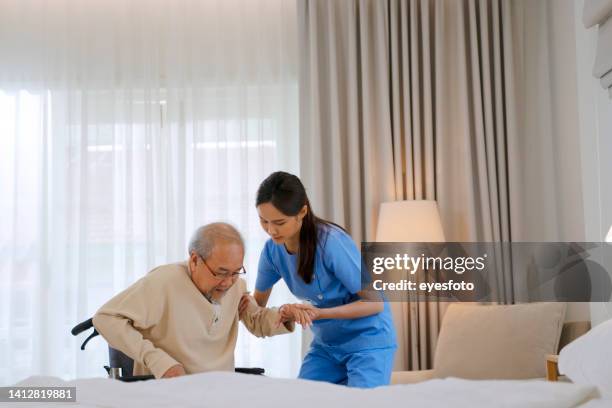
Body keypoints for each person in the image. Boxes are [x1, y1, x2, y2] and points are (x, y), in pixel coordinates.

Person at [251, 171, 397, 388]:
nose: (271, 230)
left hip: (368, 341)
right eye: (264, 221)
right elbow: (257, 307)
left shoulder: (331, 242)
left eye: (279, 222)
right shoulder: (272, 252)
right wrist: (284, 311)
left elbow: (374, 303)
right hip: (327, 345)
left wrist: (318, 313)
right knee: (303, 398)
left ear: (302, 212)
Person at [93, 222, 294, 379]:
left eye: (236, 272)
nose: (228, 282)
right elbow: (105, 318)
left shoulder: (236, 286)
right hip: (167, 391)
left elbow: (257, 320)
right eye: (221, 272)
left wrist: (285, 315)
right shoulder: (163, 282)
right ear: (195, 260)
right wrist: (158, 361)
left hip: (218, 391)